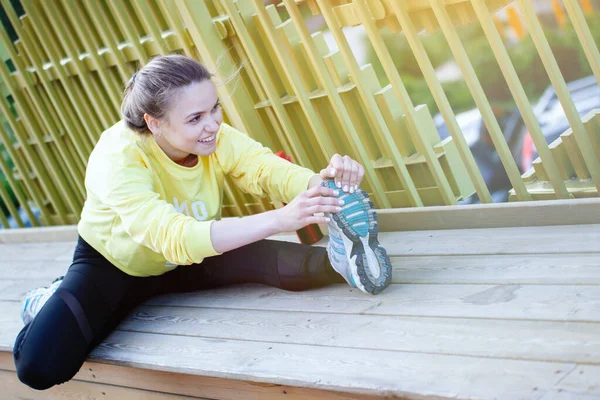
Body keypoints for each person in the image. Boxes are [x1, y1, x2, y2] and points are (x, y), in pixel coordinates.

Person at [13, 54, 392, 391]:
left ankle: (347, 256)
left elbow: (262, 168)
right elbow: (171, 236)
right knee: (40, 366)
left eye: (215, 109)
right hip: (114, 266)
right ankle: (51, 299)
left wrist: (323, 184)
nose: (212, 125)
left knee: (297, 268)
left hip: (188, 259)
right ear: (154, 123)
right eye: (195, 118)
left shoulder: (215, 137)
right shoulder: (117, 157)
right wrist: (280, 218)